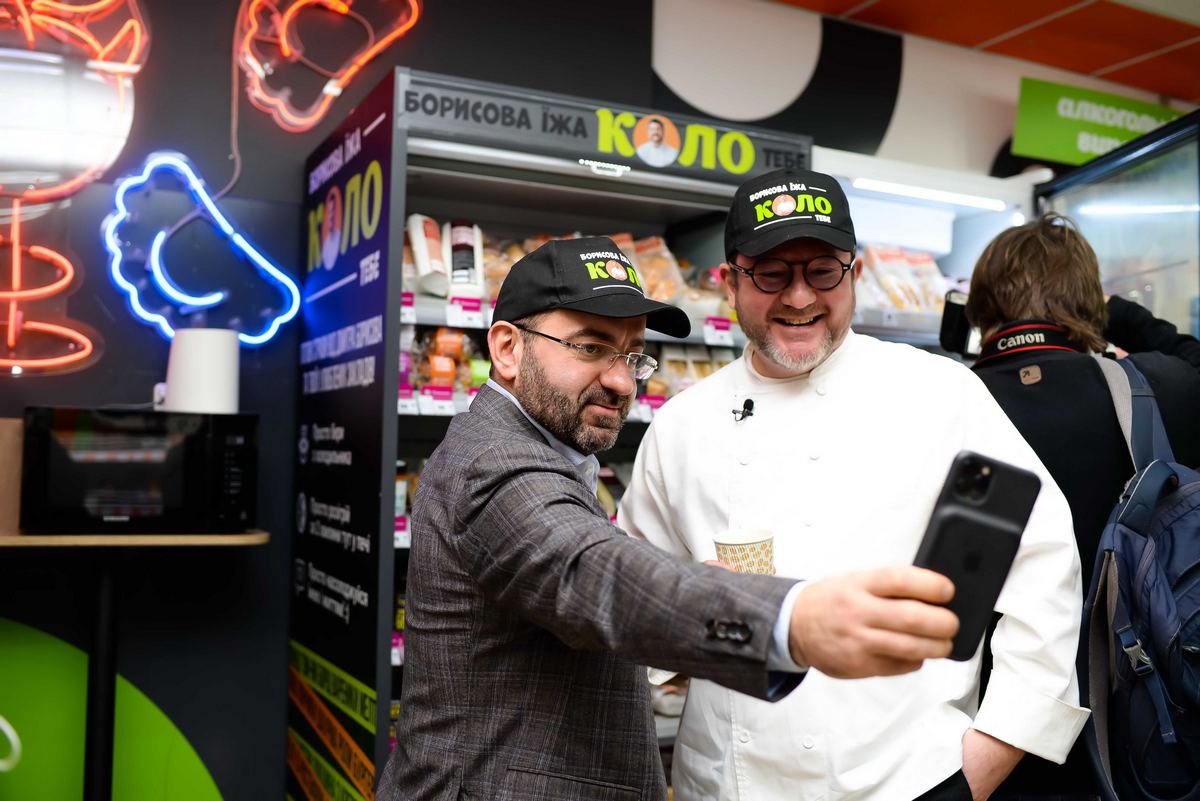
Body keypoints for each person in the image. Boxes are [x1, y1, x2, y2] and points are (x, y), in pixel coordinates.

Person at [376, 236, 962, 801]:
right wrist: (794, 620)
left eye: (633, 355)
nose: (619, 381)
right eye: (590, 347)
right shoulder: (495, 462)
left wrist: (694, 598)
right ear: (507, 349)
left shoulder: (549, 449)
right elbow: (587, 570)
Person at [618, 169, 1089, 801]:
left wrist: (988, 756)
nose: (799, 297)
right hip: (728, 782)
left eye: (822, 272)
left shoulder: (940, 394)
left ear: (855, 274)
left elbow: (1043, 565)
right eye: (771, 274)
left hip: (910, 780)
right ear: (730, 282)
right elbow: (630, 608)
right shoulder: (682, 425)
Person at [964, 213, 1200, 799]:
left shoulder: (944, 397)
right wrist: (1116, 311)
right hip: (1143, 715)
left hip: (986, 726)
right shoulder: (1152, 388)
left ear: (980, 304)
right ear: (1090, 303)